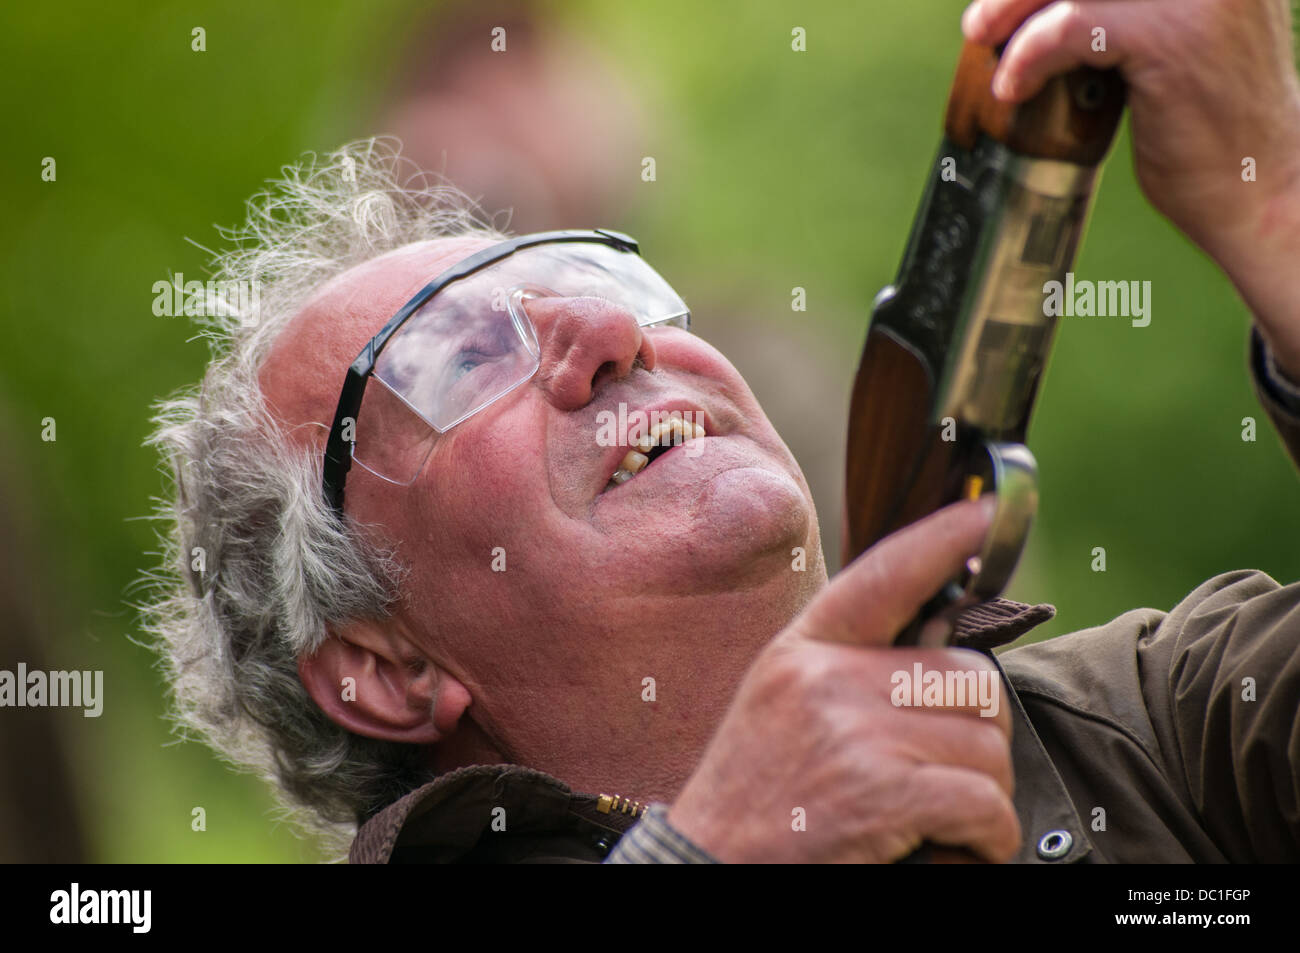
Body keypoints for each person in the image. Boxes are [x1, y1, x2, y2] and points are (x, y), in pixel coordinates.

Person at [146, 0, 1300, 863]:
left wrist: (1277, 209)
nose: (611, 329)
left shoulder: (1156, 726)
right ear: (382, 666)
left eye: (596, 274)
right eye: (456, 354)